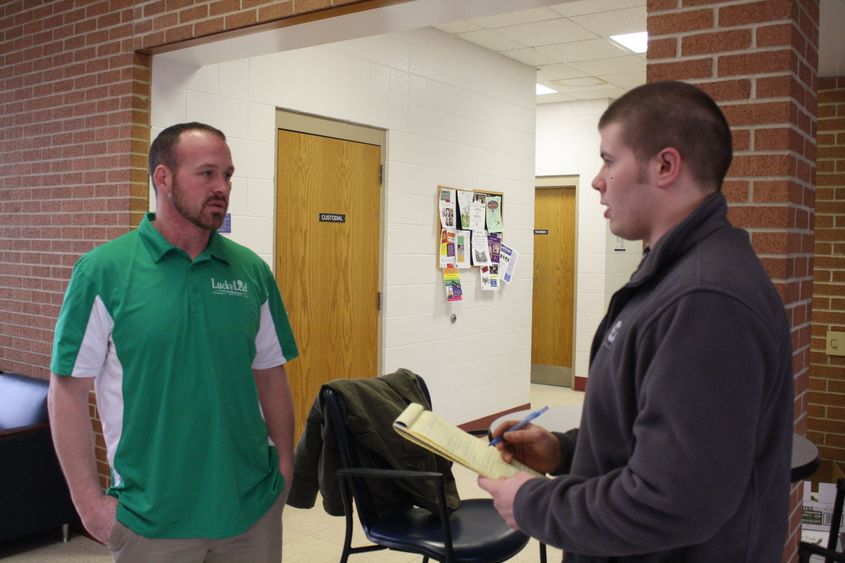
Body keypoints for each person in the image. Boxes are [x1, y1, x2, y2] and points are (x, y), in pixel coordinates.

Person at [478, 81, 794, 562]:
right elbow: (654, 433)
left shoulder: (705, 299)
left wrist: (531, 502)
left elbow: (672, 501)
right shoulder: (674, 276)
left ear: (665, 166)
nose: (597, 180)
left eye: (609, 160)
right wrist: (564, 451)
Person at [48, 122, 299, 562]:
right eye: (207, 174)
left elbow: (270, 372)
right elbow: (67, 390)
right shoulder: (102, 271)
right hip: (151, 519)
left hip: (250, 512)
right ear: (162, 178)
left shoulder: (251, 272)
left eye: (228, 175)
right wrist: (89, 504)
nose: (222, 187)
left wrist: (283, 468)